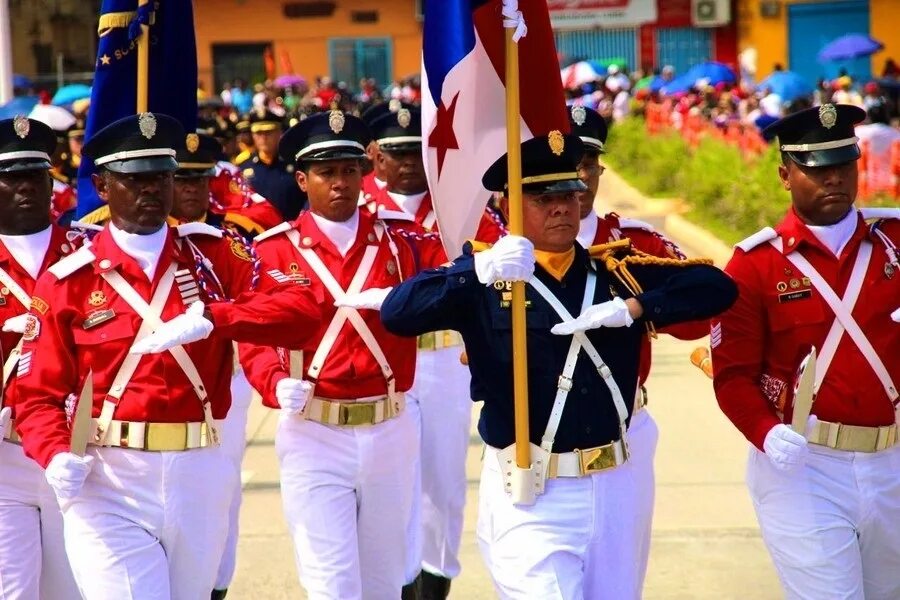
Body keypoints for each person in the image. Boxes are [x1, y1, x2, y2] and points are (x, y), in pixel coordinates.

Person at [380, 132, 737, 599]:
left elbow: (717, 287)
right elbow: (398, 313)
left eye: (569, 194)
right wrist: (476, 271)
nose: (562, 207)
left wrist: (636, 308)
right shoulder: (486, 278)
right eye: (544, 197)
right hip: (531, 493)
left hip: (614, 486)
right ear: (509, 204)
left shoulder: (614, 271)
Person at [14, 112, 322, 600]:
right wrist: (53, 453)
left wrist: (218, 317)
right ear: (102, 184)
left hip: (200, 467)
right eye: (133, 179)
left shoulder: (215, 256)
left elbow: (305, 310)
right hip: (109, 475)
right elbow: (36, 393)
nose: (149, 190)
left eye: (160, 176)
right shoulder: (71, 278)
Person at [238, 110, 443, 600]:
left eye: (350, 170)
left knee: (385, 583)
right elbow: (253, 333)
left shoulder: (401, 243)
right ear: (302, 179)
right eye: (327, 173)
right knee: (332, 584)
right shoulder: (272, 252)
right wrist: (272, 379)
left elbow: (454, 276)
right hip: (314, 429)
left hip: (390, 426)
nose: (340, 183)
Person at [711, 103, 900, 600]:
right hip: (805, 466)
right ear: (784, 175)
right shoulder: (753, 265)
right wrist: (765, 432)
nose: (833, 179)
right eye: (816, 169)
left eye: (842, 164)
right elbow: (732, 376)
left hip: (892, 460)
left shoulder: (894, 244)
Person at [569, 105, 710, 588]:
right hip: (530, 444)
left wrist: (642, 305)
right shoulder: (507, 244)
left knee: (617, 584)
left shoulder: (632, 242)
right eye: (569, 164)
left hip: (621, 431)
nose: (579, 178)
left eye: (589, 165)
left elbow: (703, 308)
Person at [366, 105, 502, 597]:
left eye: (414, 153)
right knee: (391, 484)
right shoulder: (357, 206)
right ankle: (394, 579)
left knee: (443, 482)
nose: (407, 164)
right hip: (381, 357)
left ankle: (436, 579)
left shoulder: (462, 203)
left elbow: (500, 268)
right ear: (375, 156)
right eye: (396, 153)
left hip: (446, 358)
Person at [0, 116, 81, 600]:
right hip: (4, 458)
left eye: (37, 176)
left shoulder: (88, 255)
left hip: (77, 452)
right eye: (12, 177)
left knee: (76, 592)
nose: (27, 188)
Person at [237, 108, 307, 220]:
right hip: (256, 232)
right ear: (253, 135)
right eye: (259, 133)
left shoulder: (295, 165)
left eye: (269, 132)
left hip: (290, 231)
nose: (263, 137)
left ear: (279, 132)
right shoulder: (243, 167)